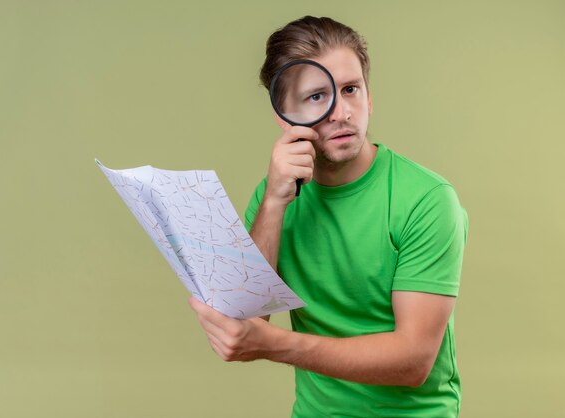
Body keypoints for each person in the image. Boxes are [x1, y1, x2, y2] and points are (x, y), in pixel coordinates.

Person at [189, 15, 469, 418]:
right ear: (284, 116)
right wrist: (272, 203)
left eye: (351, 90)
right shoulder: (275, 196)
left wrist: (277, 345)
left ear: (369, 97)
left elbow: (413, 360)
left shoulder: (427, 199)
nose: (342, 112)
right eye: (317, 97)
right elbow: (247, 319)